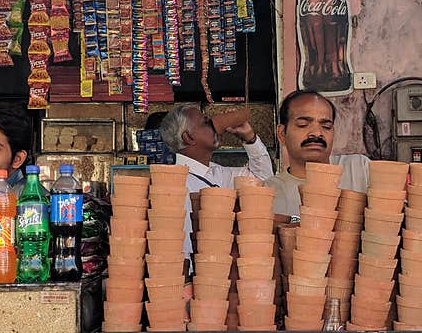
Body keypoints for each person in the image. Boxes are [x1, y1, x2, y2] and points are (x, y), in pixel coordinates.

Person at [159, 105, 274, 257]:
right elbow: (180, 246)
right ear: (189, 137)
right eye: (205, 123)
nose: (214, 125)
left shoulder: (217, 173)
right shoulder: (176, 183)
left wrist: (249, 138)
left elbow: (262, 179)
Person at [266, 89, 370, 218]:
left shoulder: (360, 168)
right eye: (303, 125)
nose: (316, 133)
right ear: (282, 134)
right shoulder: (268, 194)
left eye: (326, 126)